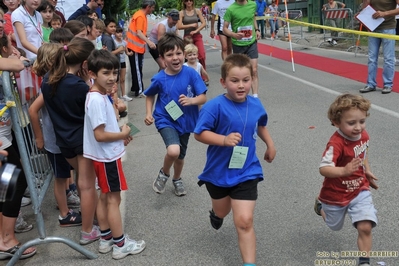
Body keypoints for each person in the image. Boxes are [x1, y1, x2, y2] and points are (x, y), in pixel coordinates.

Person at [193, 53, 276, 266]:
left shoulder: (256, 105)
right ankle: (216, 214)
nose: (241, 86)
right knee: (223, 210)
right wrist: (223, 139)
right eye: (234, 80)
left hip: (247, 170)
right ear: (223, 82)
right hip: (218, 172)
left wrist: (270, 144)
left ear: (252, 80)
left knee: (245, 221)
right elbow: (199, 133)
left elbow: (261, 125)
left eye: (246, 80)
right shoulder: (214, 106)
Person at [83, 49, 145, 260]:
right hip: (107, 157)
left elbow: (105, 127)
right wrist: (122, 134)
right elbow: (100, 135)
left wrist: (120, 134)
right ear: (92, 73)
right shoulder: (98, 100)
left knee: (104, 197)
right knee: (113, 199)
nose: (111, 78)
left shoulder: (99, 96)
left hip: (103, 156)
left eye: (114, 73)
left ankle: (106, 238)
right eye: (105, 73)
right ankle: (120, 244)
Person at [41, 37, 100, 245]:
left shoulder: (48, 79)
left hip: (63, 141)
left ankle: (94, 220)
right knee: (87, 185)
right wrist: (87, 82)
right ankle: (87, 231)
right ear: (85, 64)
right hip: (82, 140)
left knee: (84, 183)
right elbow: (92, 108)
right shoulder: (78, 85)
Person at [314, 93, 378, 266]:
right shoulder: (336, 144)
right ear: (336, 123)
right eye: (351, 123)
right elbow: (323, 168)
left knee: (365, 225)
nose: (358, 127)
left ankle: (364, 261)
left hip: (359, 189)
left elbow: (362, 154)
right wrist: (344, 170)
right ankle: (320, 206)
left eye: (362, 121)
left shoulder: (364, 136)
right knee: (334, 226)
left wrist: (367, 172)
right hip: (336, 193)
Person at [144, 33, 207, 196]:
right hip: (165, 119)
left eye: (178, 53)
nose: (175, 58)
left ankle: (177, 179)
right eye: (169, 54)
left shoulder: (191, 73)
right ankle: (164, 173)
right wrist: (148, 113)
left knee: (180, 156)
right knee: (173, 151)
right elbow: (149, 94)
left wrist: (192, 101)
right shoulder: (159, 78)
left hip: (186, 121)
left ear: (184, 55)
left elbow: (203, 97)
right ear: (163, 58)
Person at [29, 43, 82, 227]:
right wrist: (39, 137)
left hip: (60, 137)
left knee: (66, 175)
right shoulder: (50, 82)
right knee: (60, 179)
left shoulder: (53, 80)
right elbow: (33, 110)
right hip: (55, 140)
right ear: (52, 61)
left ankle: (69, 201)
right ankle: (64, 214)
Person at [0, 51, 37, 259]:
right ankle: (7, 240)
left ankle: (3, 239)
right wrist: (16, 60)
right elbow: (18, 65)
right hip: (1, 138)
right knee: (16, 181)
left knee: (5, 184)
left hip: (4, 133)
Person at [223, 0, 261, 98]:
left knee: (254, 70)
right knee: (240, 72)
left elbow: (253, 17)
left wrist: (256, 30)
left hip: (251, 42)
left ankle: (255, 97)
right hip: (238, 44)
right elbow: (225, 28)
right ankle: (241, 95)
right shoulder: (231, 9)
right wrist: (234, 35)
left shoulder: (253, 5)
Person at [359, 0, 397, 94]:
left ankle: (388, 84)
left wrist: (385, 13)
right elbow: (365, 9)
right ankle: (370, 84)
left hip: (388, 27)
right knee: (372, 58)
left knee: (388, 58)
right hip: (373, 27)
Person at [126, 0, 156, 97]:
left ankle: (135, 87)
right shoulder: (140, 16)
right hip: (135, 47)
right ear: (148, 7)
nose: (153, 9)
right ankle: (139, 90)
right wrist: (149, 42)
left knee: (136, 69)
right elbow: (139, 33)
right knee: (137, 70)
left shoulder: (140, 15)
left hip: (136, 47)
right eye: (152, 7)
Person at [178, 0, 207, 76]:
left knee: (202, 55)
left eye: (190, 0)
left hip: (197, 35)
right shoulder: (181, 13)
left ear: (193, 2)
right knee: (187, 55)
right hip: (187, 36)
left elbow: (204, 23)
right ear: (184, 2)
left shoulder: (197, 11)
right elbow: (179, 26)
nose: (189, 2)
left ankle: (202, 75)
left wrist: (196, 30)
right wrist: (191, 25)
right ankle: (185, 74)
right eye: (187, 1)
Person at [114, 26, 131, 102]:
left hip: (123, 61)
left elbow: (127, 52)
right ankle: (117, 95)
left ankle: (124, 95)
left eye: (121, 32)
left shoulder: (124, 42)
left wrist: (130, 53)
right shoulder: (114, 42)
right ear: (115, 33)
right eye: (118, 32)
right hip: (117, 62)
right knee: (116, 80)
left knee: (122, 79)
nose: (120, 34)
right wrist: (119, 50)